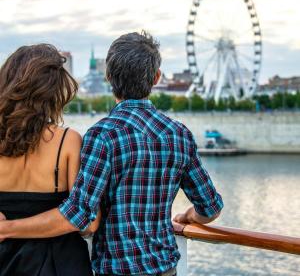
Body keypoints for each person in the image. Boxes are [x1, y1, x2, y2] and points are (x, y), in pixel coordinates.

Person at [0, 32, 223, 276]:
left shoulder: (102, 135)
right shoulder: (180, 135)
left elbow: (81, 214)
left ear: (109, 77)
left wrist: (8, 227)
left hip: (115, 269)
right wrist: (189, 215)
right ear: (156, 78)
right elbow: (211, 207)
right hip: (165, 268)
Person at [0, 44, 99, 275]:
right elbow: (89, 223)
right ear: (54, 91)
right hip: (59, 264)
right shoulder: (68, 141)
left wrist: (6, 228)